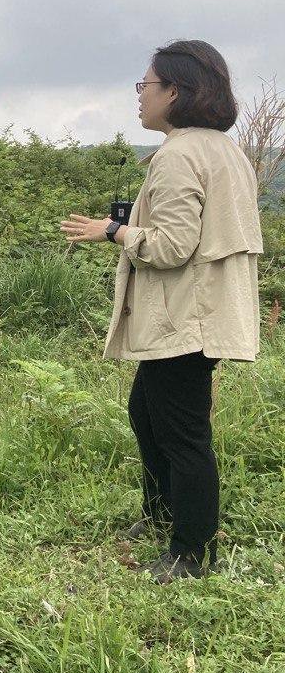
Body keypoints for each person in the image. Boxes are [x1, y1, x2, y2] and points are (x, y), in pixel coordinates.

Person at [61, 40, 261, 583]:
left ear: (177, 91)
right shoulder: (224, 149)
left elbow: (173, 246)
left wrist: (115, 230)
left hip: (184, 317)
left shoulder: (178, 154)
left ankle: (190, 551)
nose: (140, 97)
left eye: (145, 86)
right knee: (146, 414)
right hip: (202, 313)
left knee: (182, 433)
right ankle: (163, 515)